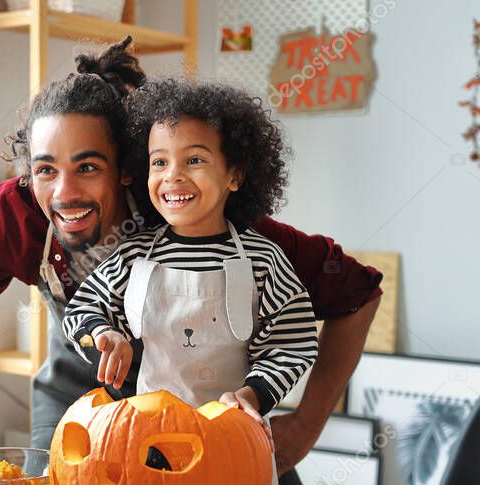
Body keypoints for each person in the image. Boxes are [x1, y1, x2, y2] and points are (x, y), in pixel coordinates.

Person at [0, 38, 382, 485]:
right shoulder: (16, 215)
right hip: (79, 403)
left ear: (128, 170)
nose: (64, 193)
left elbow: (357, 293)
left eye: (88, 167)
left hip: (209, 411)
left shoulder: (193, 211)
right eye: (45, 170)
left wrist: (306, 425)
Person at [63, 78, 317, 425]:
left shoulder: (264, 260)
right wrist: (104, 333)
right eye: (159, 162)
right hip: (148, 438)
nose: (173, 176)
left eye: (194, 159)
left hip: (233, 435)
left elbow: (292, 344)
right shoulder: (133, 256)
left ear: (235, 174)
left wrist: (251, 395)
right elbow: (81, 308)